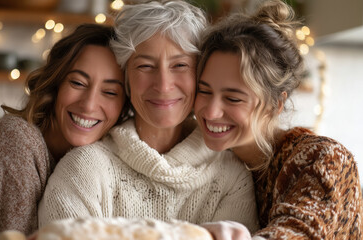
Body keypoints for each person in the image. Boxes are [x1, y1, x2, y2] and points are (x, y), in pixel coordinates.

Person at [38, 0, 259, 233]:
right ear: (126, 79)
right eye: (145, 66)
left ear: (198, 73)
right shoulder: (84, 169)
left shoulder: (232, 177)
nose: (163, 85)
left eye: (180, 65)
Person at [194, 0, 363, 239]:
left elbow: (298, 231)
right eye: (205, 91)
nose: (211, 112)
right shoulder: (215, 161)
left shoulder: (324, 159)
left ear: (276, 104)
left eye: (233, 99)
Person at [0, 23, 129, 240]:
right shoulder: (16, 141)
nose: (89, 105)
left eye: (109, 92)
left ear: (123, 106)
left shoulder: (92, 161)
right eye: (78, 83)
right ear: (56, 84)